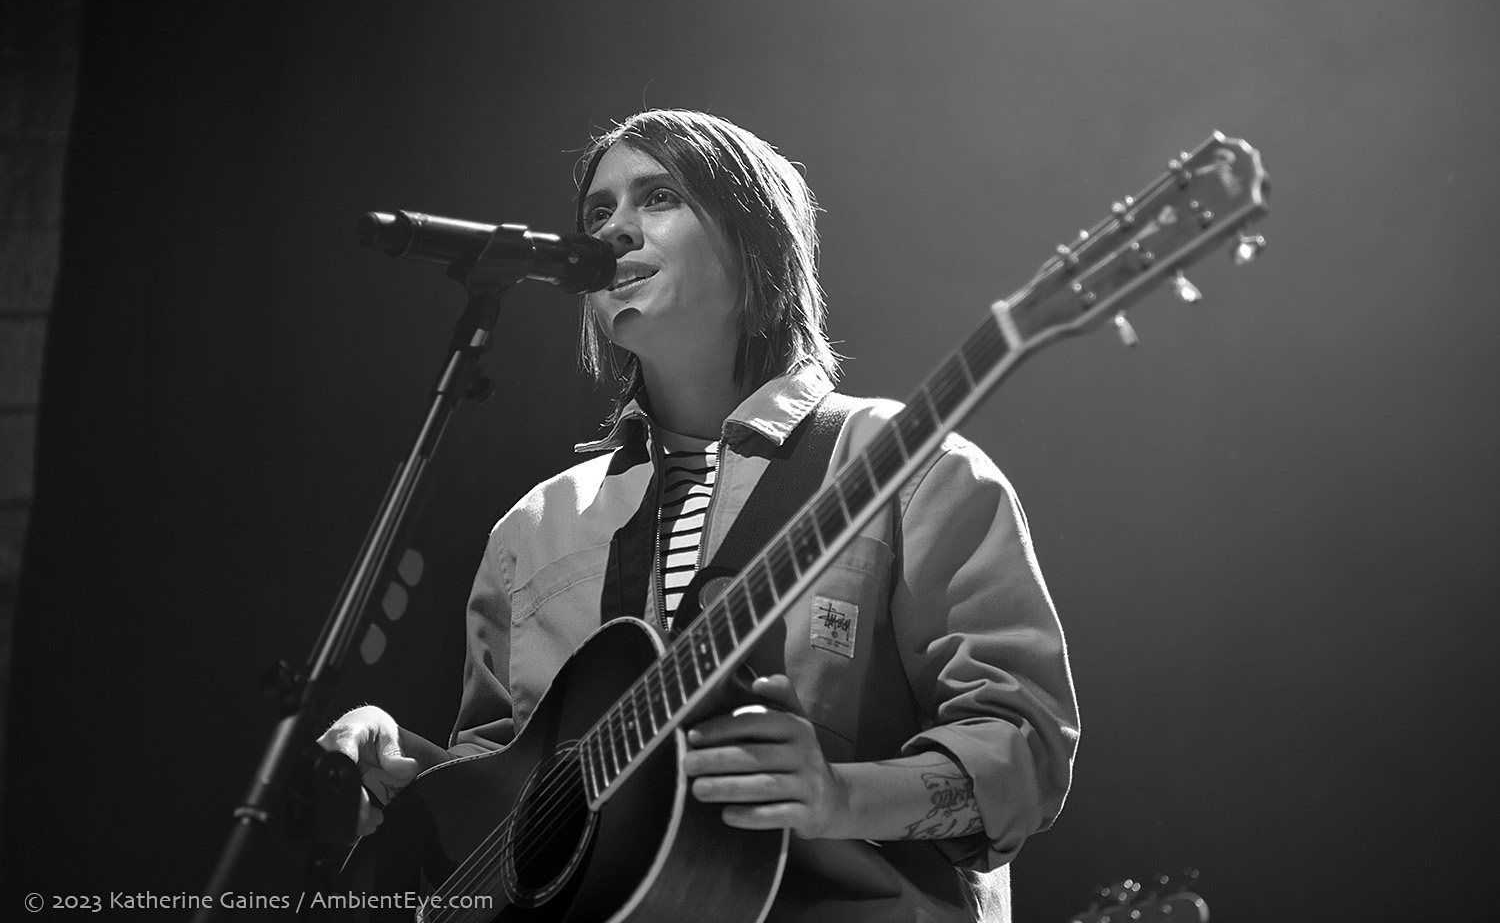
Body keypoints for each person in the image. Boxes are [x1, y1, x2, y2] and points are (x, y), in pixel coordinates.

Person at [319, 108, 1079, 923]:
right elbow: (495, 802)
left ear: (756, 245)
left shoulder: (912, 465)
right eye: (598, 212)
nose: (614, 230)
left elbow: (1023, 752)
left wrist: (839, 796)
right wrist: (401, 771)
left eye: (658, 197)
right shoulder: (533, 530)